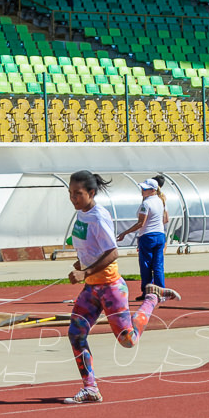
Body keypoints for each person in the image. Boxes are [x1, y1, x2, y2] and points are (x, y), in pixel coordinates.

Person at [64, 171, 180, 404]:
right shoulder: (81, 214)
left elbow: (112, 252)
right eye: (70, 192)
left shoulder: (99, 216)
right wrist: (82, 262)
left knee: (127, 340)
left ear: (92, 193)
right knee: (75, 334)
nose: (73, 197)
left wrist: (84, 271)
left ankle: (152, 299)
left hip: (110, 287)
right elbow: (91, 248)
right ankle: (91, 388)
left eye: (78, 193)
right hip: (91, 287)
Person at [117, 175, 170, 300]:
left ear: (153, 190)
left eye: (145, 189)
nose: (142, 190)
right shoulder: (161, 201)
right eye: (142, 188)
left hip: (147, 237)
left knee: (146, 266)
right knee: (158, 265)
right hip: (160, 235)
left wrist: (125, 233)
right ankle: (160, 292)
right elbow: (165, 219)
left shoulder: (146, 204)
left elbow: (141, 223)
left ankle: (147, 292)